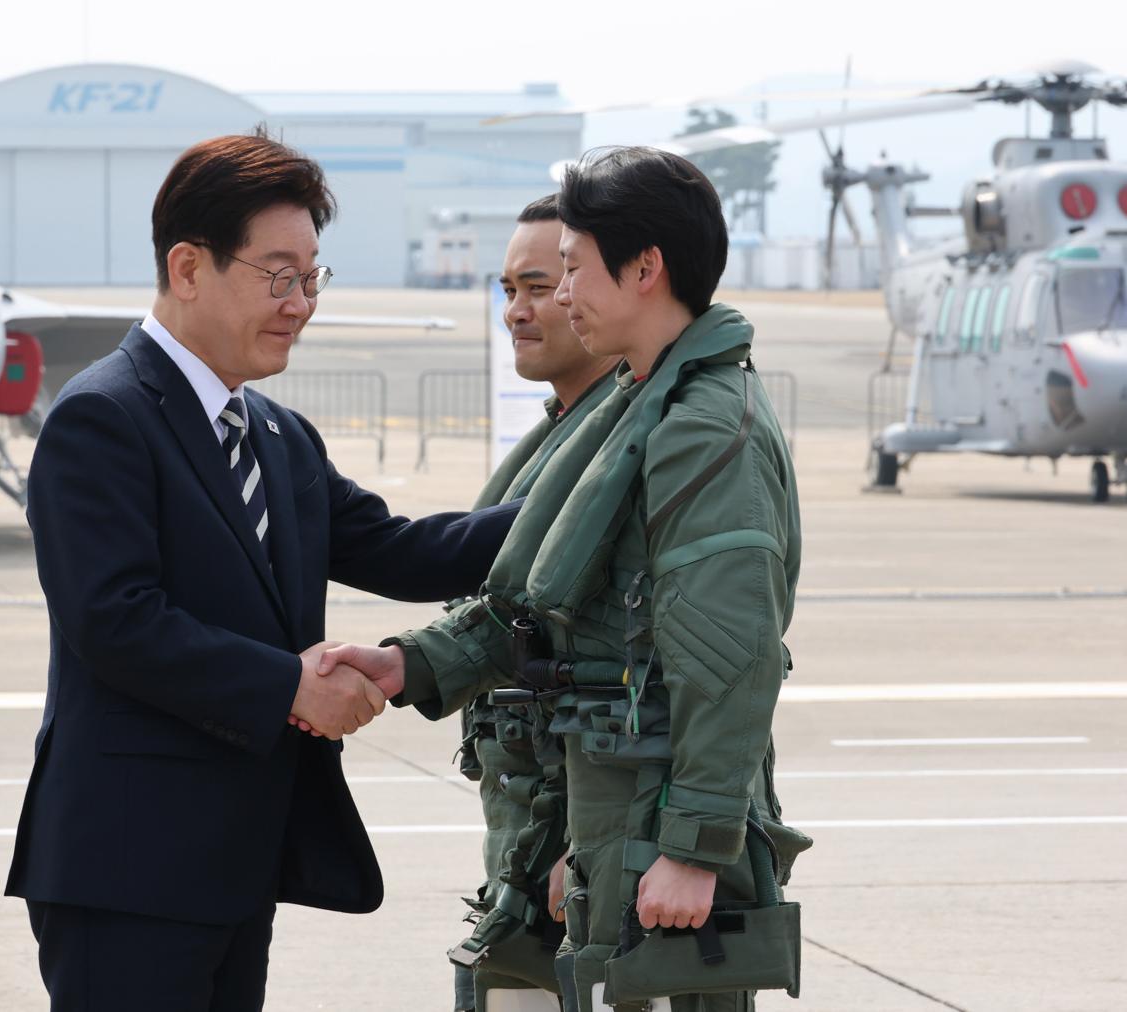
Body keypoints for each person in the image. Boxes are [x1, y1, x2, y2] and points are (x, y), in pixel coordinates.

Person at [4, 129, 520, 1012]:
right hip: (126, 865)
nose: (300, 305)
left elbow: (403, 550)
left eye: (312, 279)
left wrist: (589, 493)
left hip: (236, 866)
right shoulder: (103, 417)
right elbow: (115, 620)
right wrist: (290, 686)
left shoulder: (277, 435)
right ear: (188, 267)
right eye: (279, 277)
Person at [323, 146, 810, 1011]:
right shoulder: (635, 408)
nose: (562, 294)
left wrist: (693, 851)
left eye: (574, 269)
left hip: (651, 849)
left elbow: (731, 657)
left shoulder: (702, 429)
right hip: (604, 822)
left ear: (645, 269)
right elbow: (546, 607)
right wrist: (410, 665)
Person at [451, 193, 621, 1011]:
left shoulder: (635, 448)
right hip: (530, 849)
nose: (516, 311)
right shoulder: (564, 435)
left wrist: (591, 848)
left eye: (541, 286)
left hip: (581, 864)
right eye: (507, 290)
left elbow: (660, 669)